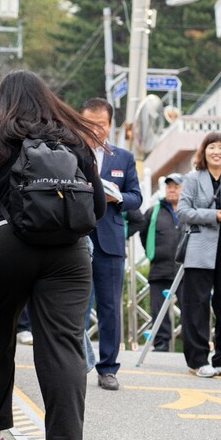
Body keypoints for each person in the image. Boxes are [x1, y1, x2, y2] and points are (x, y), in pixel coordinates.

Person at [0, 70, 105, 440]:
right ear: (48, 99)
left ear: (3, 101)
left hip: (6, 249)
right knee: (64, 344)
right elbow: (99, 207)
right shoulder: (74, 142)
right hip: (70, 254)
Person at [79, 98, 142, 391]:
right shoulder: (70, 154)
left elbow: (136, 198)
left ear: (110, 125)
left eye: (100, 124)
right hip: (76, 239)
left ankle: (108, 368)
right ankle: (77, 363)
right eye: (88, 124)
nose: (95, 130)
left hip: (110, 242)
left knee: (109, 308)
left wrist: (116, 198)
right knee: (76, 307)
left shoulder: (123, 158)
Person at [177, 132, 221, 378]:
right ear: (203, 152)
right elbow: (183, 211)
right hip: (199, 250)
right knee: (196, 305)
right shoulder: (193, 179)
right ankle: (197, 360)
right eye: (212, 147)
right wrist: (213, 215)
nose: (217, 152)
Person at [139, 173, 185, 352]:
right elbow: (143, 234)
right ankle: (161, 344)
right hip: (159, 268)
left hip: (184, 269)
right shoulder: (153, 211)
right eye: (169, 186)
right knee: (158, 309)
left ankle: (189, 345)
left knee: (189, 309)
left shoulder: (188, 211)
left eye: (177, 186)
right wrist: (153, 253)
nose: (172, 190)